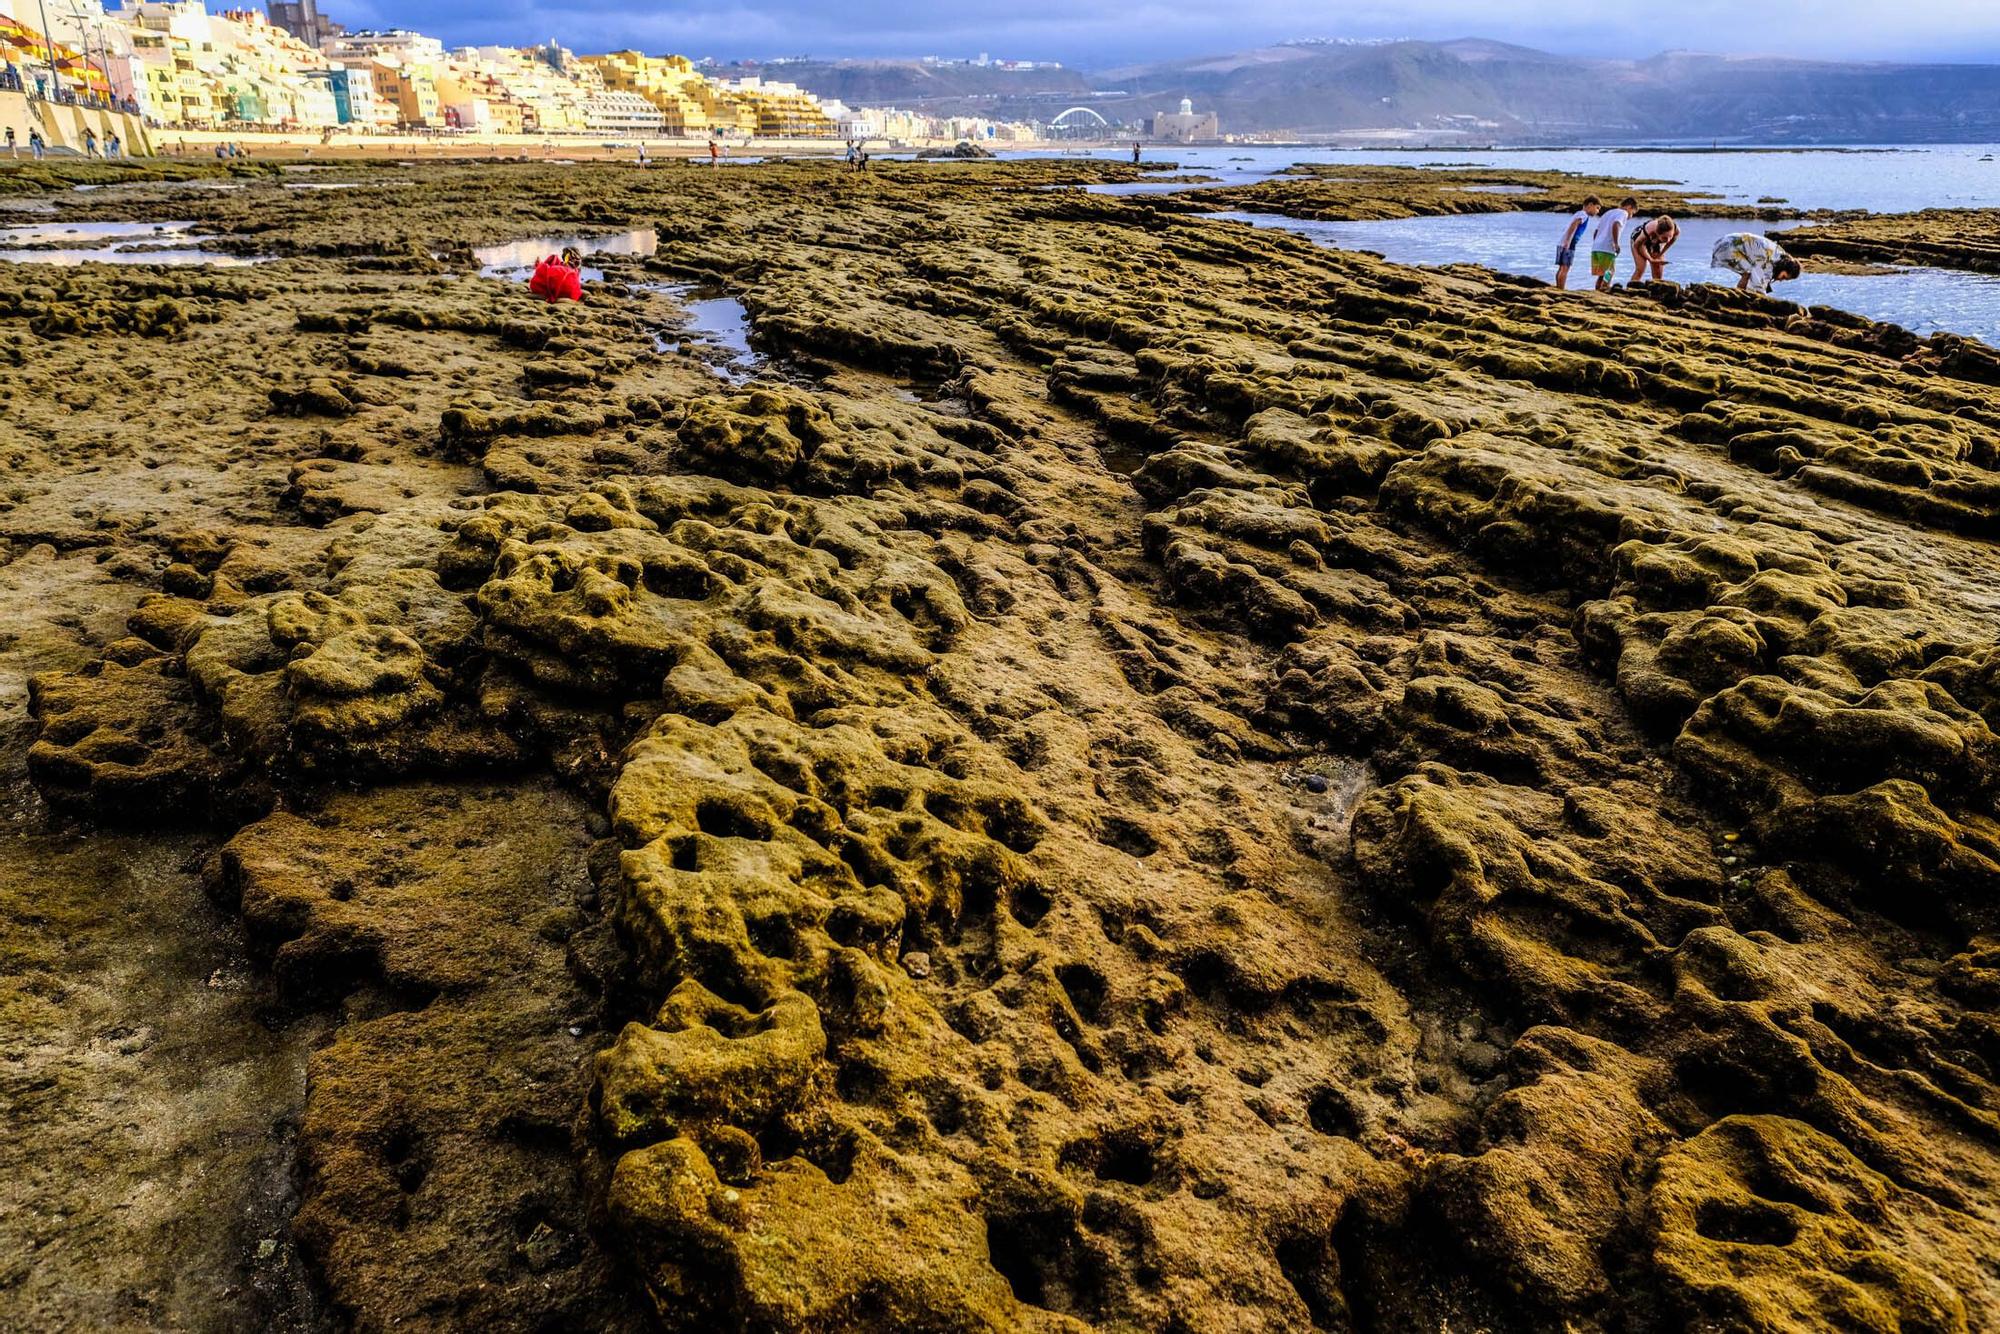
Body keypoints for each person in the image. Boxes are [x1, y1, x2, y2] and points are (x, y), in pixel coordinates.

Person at [1710, 232, 1802, 294]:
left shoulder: (1780, 256)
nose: (1781, 280)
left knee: (1747, 274)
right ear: (1785, 267)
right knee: (1750, 275)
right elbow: (1759, 287)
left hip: (1727, 241)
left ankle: (1738, 296)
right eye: (1784, 277)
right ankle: (1738, 297)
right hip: (1729, 247)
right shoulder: (1770, 263)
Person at [1590, 195, 1636, 292]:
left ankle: (1597, 292)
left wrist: (1597, 243)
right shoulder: (1623, 213)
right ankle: (1604, 290)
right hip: (1607, 247)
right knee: (1610, 272)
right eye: (1633, 213)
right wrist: (1616, 243)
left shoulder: (1608, 212)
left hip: (1596, 247)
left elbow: (1596, 231)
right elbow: (1616, 224)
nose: (1631, 216)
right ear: (1629, 207)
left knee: (1601, 274)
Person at [1555, 194, 1600, 290]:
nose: (1597, 211)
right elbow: (1574, 225)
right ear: (1590, 205)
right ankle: (1561, 289)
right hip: (1569, 243)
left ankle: (1558, 288)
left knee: (1561, 268)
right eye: (1597, 208)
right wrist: (1568, 241)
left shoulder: (1578, 213)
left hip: (1562, 242)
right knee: (1565, 268)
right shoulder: (1584, 215)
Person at [1627, 214, 1679, 285]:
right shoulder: (1649, 230)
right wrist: (1650, 259)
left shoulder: (1676, 230)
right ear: (1657, 233)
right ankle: (1630, 290)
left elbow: (1669, 243)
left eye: (1670, 236)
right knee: (1641, 268)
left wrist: (1660, 254)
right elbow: (1637, 245)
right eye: (1665, 238)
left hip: (1657, 242)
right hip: (1638, 241)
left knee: (1658, 269)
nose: (1668, 240)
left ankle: (1656, 292)